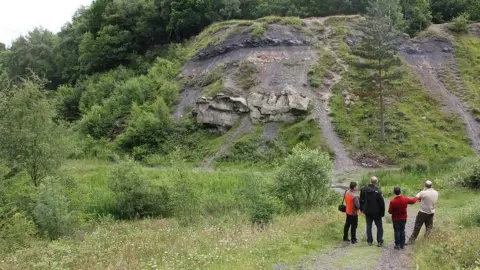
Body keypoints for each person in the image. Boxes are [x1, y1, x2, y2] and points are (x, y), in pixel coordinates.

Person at [407, 180, 439, 245]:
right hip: (431, 212)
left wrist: (423, 191)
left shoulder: (423, 193)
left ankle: (411, 240)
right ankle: (426, 241)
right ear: (431, 185)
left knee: (417, 226)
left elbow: (416, 198)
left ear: (425, 185)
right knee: (429, 227)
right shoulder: (436, 192)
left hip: (423, 213)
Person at [360, 176, 385, 247]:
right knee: (379, 226)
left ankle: (369, 241)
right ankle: (379, 241)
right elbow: (381, 203)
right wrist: (382, 213)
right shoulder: (378, 191)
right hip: (377, 212)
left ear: (370, 180)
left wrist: (362, 209)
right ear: (376, 182)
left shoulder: (364, 189)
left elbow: (361, 200)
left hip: (367, 211)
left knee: (368, 226)